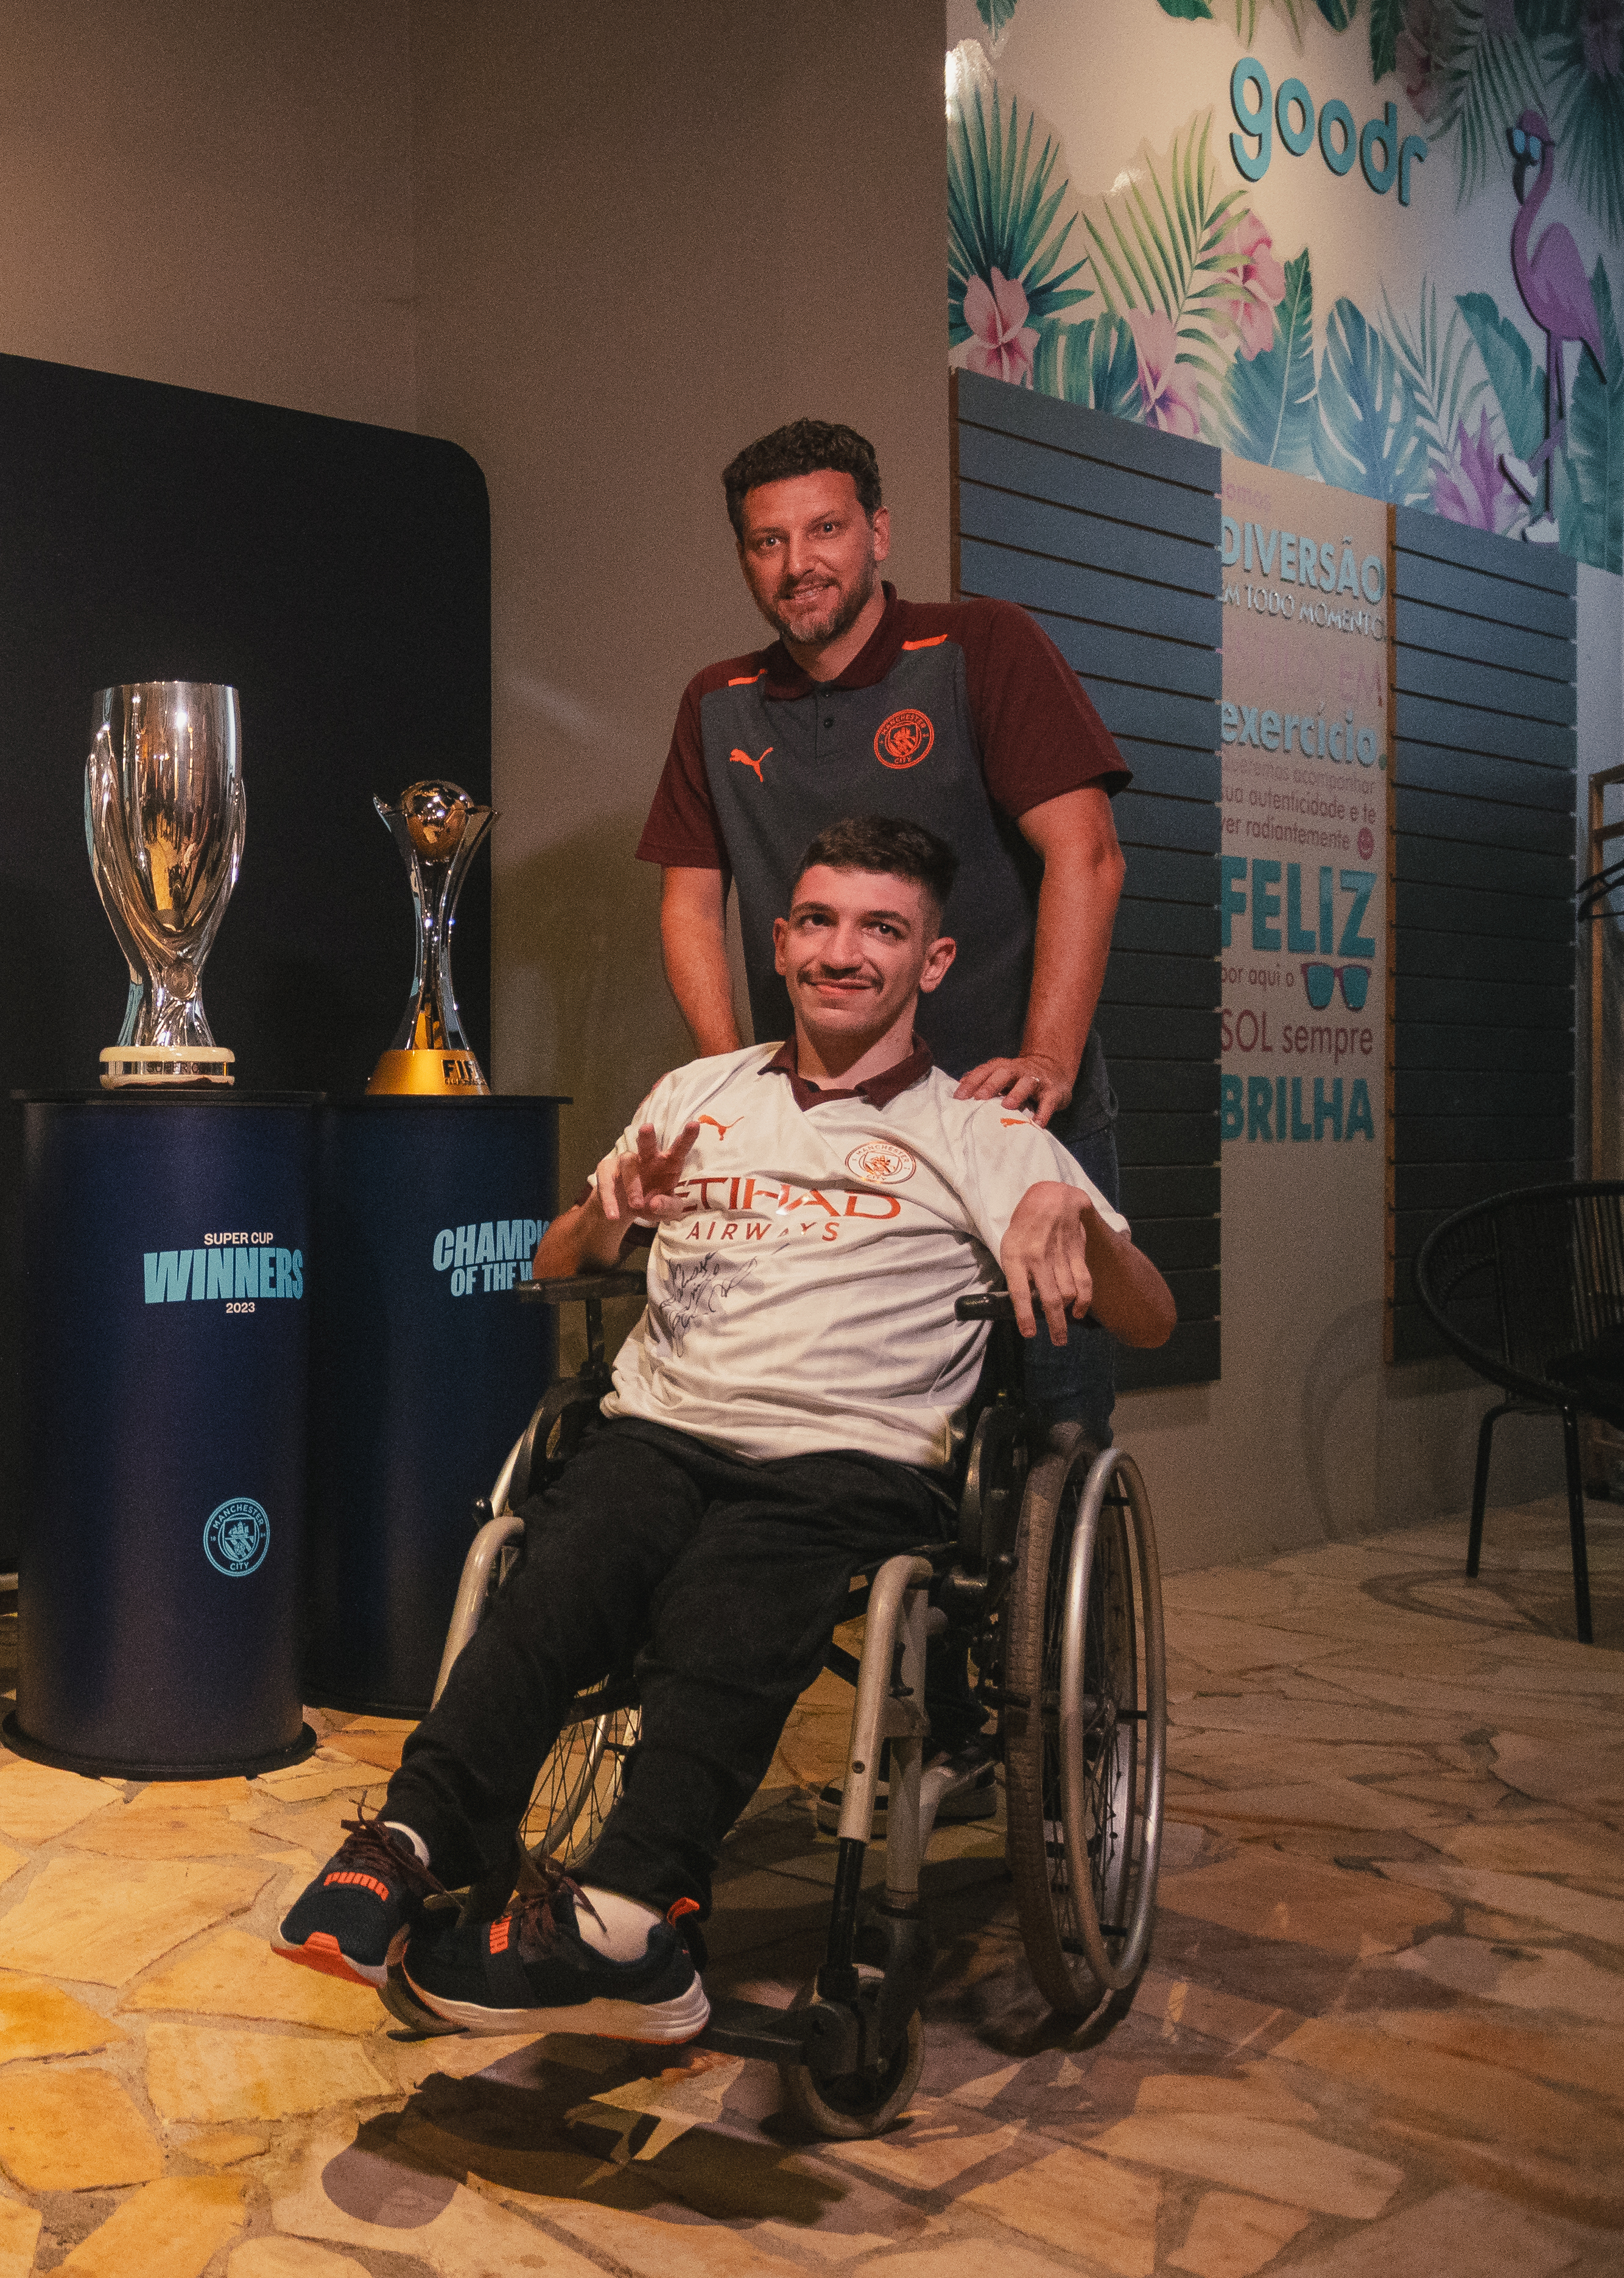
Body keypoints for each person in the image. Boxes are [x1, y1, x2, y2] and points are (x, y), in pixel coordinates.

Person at [272, 815, 1173, 2040]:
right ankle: (416, 1835)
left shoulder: (986, 1129)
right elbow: (556, 1258)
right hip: (662, 1428)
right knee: (560, 1567)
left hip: (848, 1458)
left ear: (935, 962)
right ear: (783, 941)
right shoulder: (700, 1092)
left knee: (732, 1594)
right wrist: (608, 1218)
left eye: (881, 929)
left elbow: (1153, 1316)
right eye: (818, 922)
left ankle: (634, 1919)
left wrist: (1072, 1210)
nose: (842, 952)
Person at [643, 419, 1133, 1441]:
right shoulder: (716, 704)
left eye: (823, 530)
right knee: (837, 1415)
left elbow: (1085, 854)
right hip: (833, 1129)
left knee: (1055, 1431)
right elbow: (690, 900)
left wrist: (1047, 1053)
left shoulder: (976, 647)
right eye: (766, 542)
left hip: (1005, 1113)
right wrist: (728, 1079)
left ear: (879, 532)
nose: (797, 563)